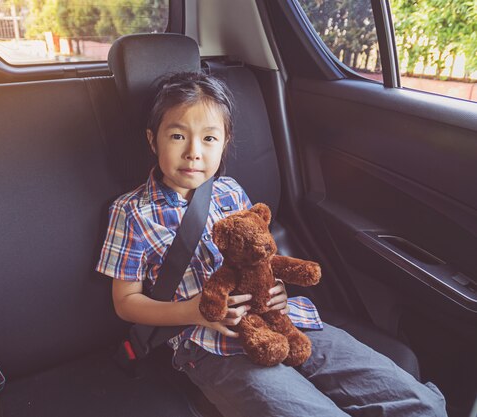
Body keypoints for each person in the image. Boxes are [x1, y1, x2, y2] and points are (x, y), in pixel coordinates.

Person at [95, 71, 447, 416]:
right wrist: (192, 310)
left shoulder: (232, 191)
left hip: (281, 319)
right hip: (209, 345)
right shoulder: (130, 212)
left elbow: (258, 259)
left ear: (225, 143)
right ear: (152, 139)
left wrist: (275, 288)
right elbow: (126, 303)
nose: (193, 152)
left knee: (421, 404)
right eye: (177, 136)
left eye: (209, 138)